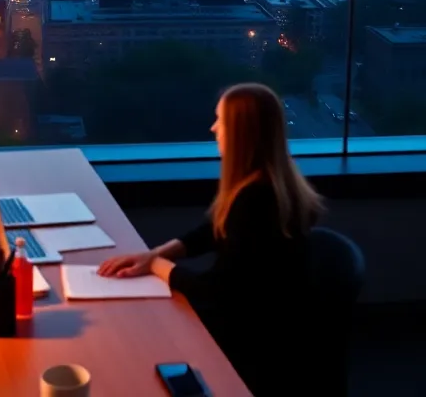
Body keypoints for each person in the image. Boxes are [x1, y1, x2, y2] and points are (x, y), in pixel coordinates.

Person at [98, 83, 322, 395]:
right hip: (269, 322)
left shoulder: (257, 201)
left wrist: (157, 267)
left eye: (221, 120)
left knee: (140, 342)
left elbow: (218, 291)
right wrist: (157, 254)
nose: (213, 127)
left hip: (256, 341)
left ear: (242, 133)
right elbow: (212, 231)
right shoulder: (267, 184)